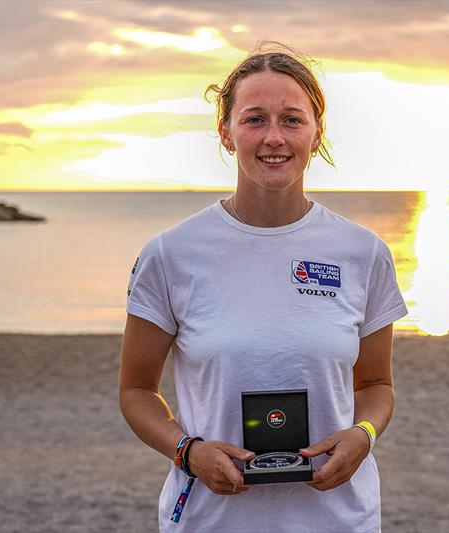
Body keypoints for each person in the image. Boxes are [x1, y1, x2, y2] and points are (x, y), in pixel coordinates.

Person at [119, 43, 408, 532]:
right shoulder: (171, 254)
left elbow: (376, 385)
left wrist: (363, 435)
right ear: (226, 132)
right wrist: (187, 452)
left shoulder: (363, 252)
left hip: (338, 519)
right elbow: (136, 390)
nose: (274, 137)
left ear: (317, 134)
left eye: (292, 119)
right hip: (213, 520)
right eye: (254, 119)